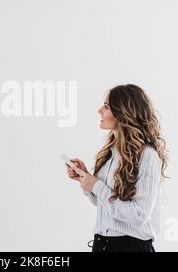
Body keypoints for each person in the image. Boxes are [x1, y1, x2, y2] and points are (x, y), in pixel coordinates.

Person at [66, 84, 168, 252]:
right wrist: (86, 179)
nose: (99, 111)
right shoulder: (111, 153)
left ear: (123, 113)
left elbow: (138, 214)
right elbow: (103, 203)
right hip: (102, 245)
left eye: (106, 106)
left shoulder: (147, 155)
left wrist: (96, 185)